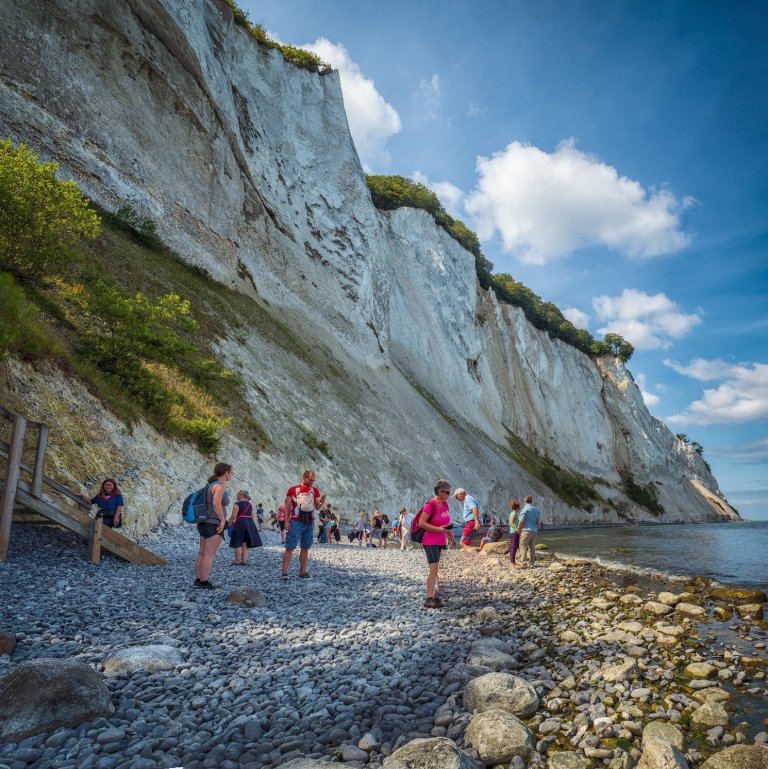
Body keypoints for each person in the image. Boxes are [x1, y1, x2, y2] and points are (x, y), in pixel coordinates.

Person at [416, 480, 456, 608]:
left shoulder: (445, 505)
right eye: (447, 492)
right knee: (433, 570)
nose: (449, 495)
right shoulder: (430, 505)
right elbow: (421, 523)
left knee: (436, 568)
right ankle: (429, 598)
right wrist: (439, 530)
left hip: (440, 540)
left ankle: (435, 592)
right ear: (439, 492)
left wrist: (451, 537)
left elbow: (445, 524)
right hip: (430, 540)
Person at [281, 469, 326, 579]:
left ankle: (303, 571)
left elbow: (317, 507)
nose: (312, 482)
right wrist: (286, 521)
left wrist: (322, 502)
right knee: (290, 546)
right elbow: (287, 505)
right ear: (304, 477)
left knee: (305, 547)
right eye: (310, 479)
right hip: (296, 521)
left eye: (313, 480)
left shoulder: (315, 490)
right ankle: (284, 573)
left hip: (309, 522)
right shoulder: (293, 489)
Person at [194, 462, 233, 589]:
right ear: (226, 472)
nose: (232, 474)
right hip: (213, 523)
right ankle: (204, 582)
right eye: (231, 472)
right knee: (209, 554)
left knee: (202, 553)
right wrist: (222, 520)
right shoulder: (220, 486)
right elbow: (216, 503)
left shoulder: (209, 485)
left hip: (203, 522)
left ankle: (198, 580)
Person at [228, 490, 262, 565]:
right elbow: (253, 516)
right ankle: (244, 561)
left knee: (237, 542)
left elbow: (234, 516)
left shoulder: (237, 504)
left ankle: (237, 561)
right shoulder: (250, 505)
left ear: (240, 495)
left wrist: (229, 523)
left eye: (237, 494)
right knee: (245, 543)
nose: (236, 496)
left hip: (240, 523)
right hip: (249, 523)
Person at [516, 495, 542, 568]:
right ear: (531, 501)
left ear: (525, 501)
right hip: (534, 531)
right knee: (532, 547)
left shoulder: (525, 509)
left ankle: (523, 563)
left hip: (526, 530)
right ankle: (531, 563)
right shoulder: (536, 510)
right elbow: (538, 522)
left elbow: (521, 521)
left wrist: (518, 528)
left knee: (523, 546)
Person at [508, 499, 522, 568]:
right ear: (517, 508)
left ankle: (512, 561)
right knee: (514, 547)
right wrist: (516, 529)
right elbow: (511, 523)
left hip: (512, 532)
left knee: (513, 547)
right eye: (519, 508)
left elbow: (510, 523)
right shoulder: (514, 514)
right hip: (514, 533)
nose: (519, 509)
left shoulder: (512, 513)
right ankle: (513, 563)